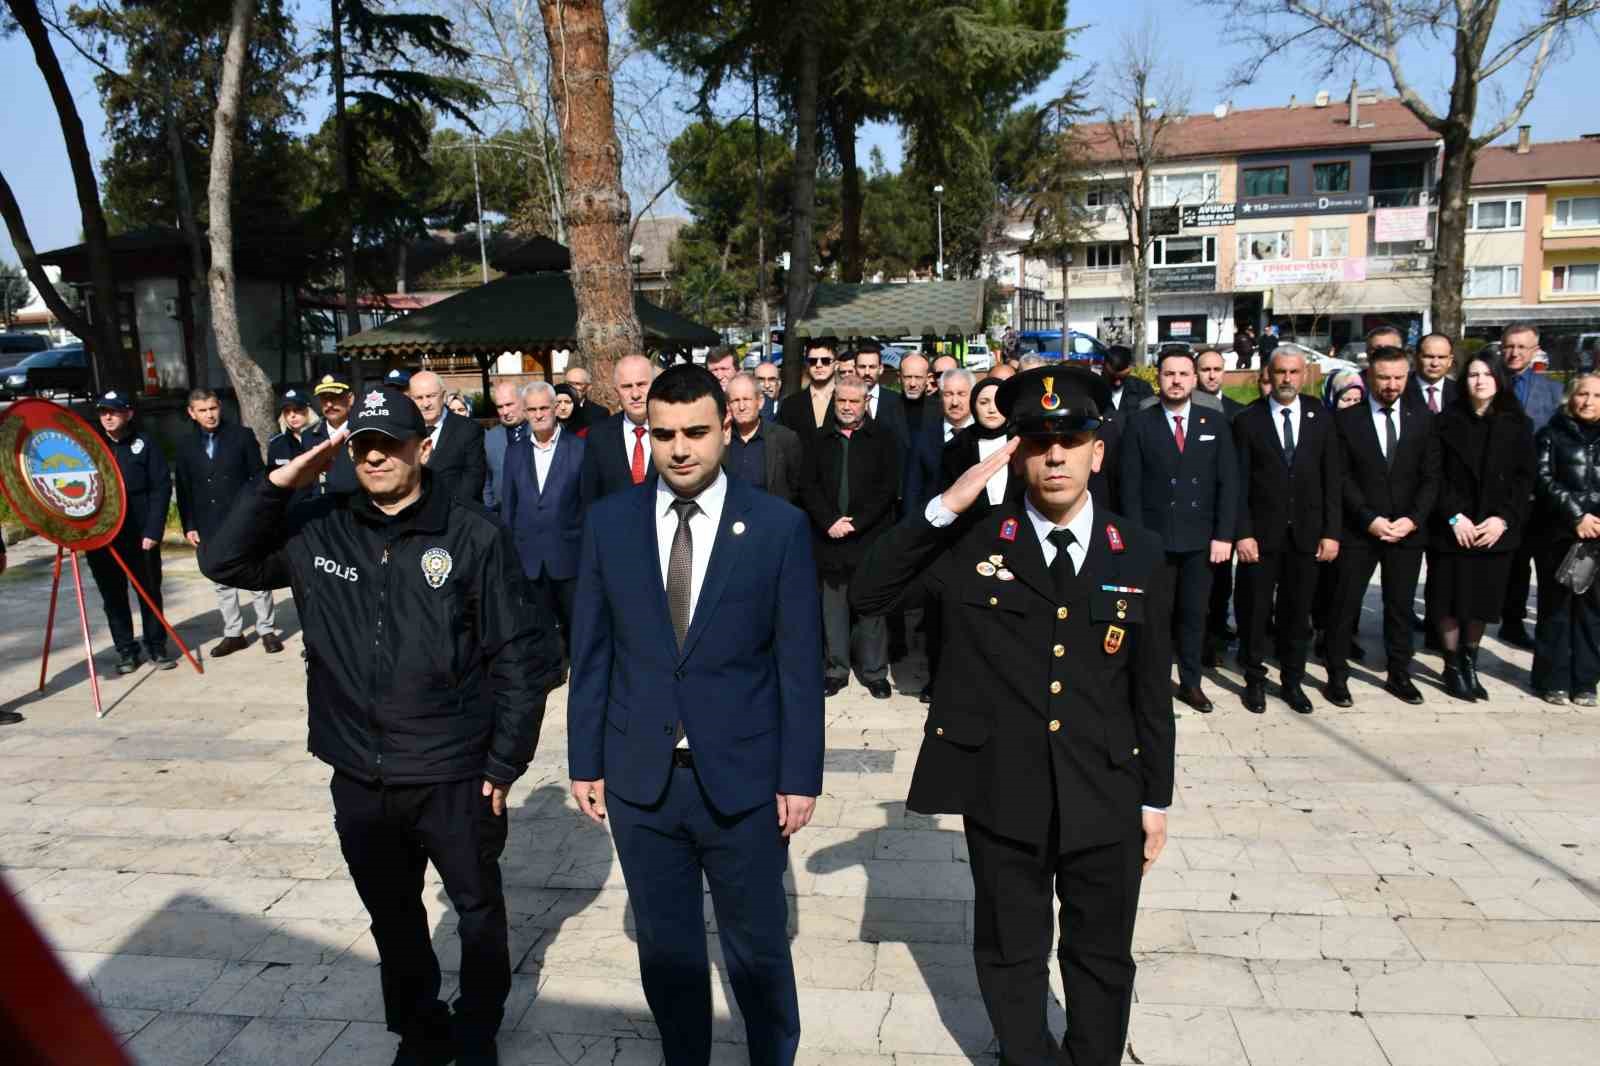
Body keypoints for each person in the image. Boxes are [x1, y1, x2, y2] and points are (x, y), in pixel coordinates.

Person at [200, 385, 561, 1066]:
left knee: (477, 910)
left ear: (421, 447)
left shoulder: (473, 533)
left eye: (390, 445)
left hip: (454, 771)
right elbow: (224, 560)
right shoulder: (318, 527)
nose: (375, 458)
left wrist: (503, 764)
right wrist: (282, 481)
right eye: (362, 446)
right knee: (393, 917)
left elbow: (521, 656)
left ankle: (479, 1028)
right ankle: (420, 1030)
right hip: (360, 772)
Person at [851, 365, 1174, 1066]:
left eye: (1071, 438)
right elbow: (870, 591)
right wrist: (946, 505)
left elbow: (1150, 691)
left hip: (1106, 788)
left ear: (1098, 450)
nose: (1054, 455)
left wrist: (1156, 798)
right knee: (1010, 950)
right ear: (1016, 450)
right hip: (1003, 787)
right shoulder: (972, 542)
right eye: (1036, 439)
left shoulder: (1137, 550)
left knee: (1102, 955)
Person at [566, 364, 824, 1066]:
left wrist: (799, 776)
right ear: (647, 434)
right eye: (666, 434)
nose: (681, 448)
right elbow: (591, 651)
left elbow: (797, 666)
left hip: (744, 779)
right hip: (639, 779)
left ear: (725, 430)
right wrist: (584, 759)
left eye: (697, 432)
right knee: (668, 950)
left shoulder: (777, 527)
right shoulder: (609, 523)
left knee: (759, 948)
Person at [1119, 350, 1238, 713]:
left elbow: (1228, 482)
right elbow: (1130, 488)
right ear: (1158, 378)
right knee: (1156, 617)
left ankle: (1190, 683)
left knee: (1192, 615)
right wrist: (1137, 540)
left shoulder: (1213, 423)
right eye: (1169, 374)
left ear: (1193, 379)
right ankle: (1153, 684)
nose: (1176, 380)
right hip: (1155, 540)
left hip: (1200, 541)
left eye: (1183, 374)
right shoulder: (1141, 424)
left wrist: (1224, 535)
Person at [1326, 347, 1441, 706]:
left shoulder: (1422, 418)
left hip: (1407, 532)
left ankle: (1399, 673)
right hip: (1360, 530)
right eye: (1383, 377)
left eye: (1398, 377)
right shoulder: (1347, 421)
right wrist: (1369, 519)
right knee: (1344, 606)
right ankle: (1336, 676)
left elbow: (1431, 477)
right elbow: (1340, 477)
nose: (1391, 384)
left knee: (1400, 606)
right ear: (1369, 377)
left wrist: (1412, 519)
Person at [1232, 351, 1342, 713]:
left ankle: (1292, 681)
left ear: (1303, 375)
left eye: (1294, 372)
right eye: (1280, 372)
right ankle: (1254, 679)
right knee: (1254, 611)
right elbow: (1239, 483)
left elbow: (1332, 480)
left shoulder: (1320, 417)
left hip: (1306, 536)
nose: (1287, 379)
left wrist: (1331, 532)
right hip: (1261, 538)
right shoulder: (1248, 421)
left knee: (1297, 614)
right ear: (1269, 373)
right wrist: (1243, 533)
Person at [1427, 354, 1534, 701]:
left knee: (1481, 601)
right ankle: (1451, 664)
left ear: (1499, 379)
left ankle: (1469, 661)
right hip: (1453, 527)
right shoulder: (1445, 422)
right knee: (1449, 598)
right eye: (1473, 374)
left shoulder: (1518, 424)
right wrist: (1454, 516)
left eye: (1487, 374)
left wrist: (1502, 519)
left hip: (1494, 529)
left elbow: (1524, 479)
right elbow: (1434, 475)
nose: (1480, 380)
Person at [802, 378, 901, 698]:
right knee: (833, 608)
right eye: (841, 401)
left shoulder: (883, 439)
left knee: (871, 609)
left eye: (853, 402)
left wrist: (856, 523)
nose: (847, 407)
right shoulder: (817, 439)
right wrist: (829, 521)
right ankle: (836, 669)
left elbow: (887, 489)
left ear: (865, 402)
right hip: (829, 538)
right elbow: (808, 486)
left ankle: (874, 672)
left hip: (869, 537)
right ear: (834, 401)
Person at [173, 388, 282, 658]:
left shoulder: (241, 436)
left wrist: (260, 515)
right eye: (202, 410)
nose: (209, 415)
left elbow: (258, 477)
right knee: (222, 581)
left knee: (257, 575)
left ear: (219, 407)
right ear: (191, 413)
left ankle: (266, 629)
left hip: (244, 518)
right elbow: (185, 488)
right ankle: (234, 633)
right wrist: (189, 524)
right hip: (209, 523)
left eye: (212, 408)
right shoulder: (185, 446)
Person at [84, 390, 175, 674]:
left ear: (128, 414)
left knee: (148, 592)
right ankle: (126, 650)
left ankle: (156, 647)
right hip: (102, 537)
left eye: (114, 411)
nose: (108, 417)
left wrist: (153, 530)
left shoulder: (144, 444)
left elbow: (161, 487)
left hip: (140, 535)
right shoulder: (90, 447)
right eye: (103, 412)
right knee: (113, 597)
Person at [500, 382, 585, 658]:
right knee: (538, 626)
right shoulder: (514, 453)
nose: (538, 415)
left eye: (543, 408)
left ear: (556, 409)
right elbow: (508, 508)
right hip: (529, 558)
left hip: (569, 555)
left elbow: (588, 506)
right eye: (532, 409)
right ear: (525, 412)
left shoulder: (580, 449)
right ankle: (548, 670)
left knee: (577, 626)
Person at [1531, 372, 1600, 705]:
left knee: (1592, 612)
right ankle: (1552, 679)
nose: (1589, 402)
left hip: (1597, 539)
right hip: (1559, 535)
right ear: (1570, 398)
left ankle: (1586, 681)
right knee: (1555, 610)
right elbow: (1543, 480)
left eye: (1597, 396)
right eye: (1582, 395)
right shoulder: (1550, 435)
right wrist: (1576, 516)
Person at [1500, 322, 1566, 650]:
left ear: (1534, 349)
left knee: (1536, 561)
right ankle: (1505, 619)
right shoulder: (1488, 381)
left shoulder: (1553, 391)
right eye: (1509, 346)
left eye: (1521, 347)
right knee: (1509, 562)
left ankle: (1529, 627)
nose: (1514, 353)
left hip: (1539, 492)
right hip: (1497, 488)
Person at [1311, 371, 1369, 664]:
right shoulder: (1321, 424)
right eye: (1346, 399)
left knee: (1350, 585)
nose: (1353, 404)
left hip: (1359, 519)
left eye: (1358, 399)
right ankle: (1323, 632)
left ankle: (1346, 635)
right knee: (1325, 581)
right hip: (1327, 515)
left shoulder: (1366, 425)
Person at [579, 354, 655, 506]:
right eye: (626, 386)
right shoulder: (598, 436)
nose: (635, 394)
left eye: (641, 384)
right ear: (616, 391)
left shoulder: (673, 430)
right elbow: (589, 498)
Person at [408, 371, 488, 503]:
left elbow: (473, 481)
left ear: (444, 396)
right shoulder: (406, 430)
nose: (425, 403)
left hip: (456, 514)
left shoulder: (468, 430)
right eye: (419, 398)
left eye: (431, 396)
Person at [724, 373, 804, 503]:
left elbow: (796, 489)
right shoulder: (721, 439)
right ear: (728, 405)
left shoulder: (785, 439)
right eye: (735, 401)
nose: (742, 407)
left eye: (747, 399)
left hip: (772, 518)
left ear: (760, 402)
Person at [939, 377, 1012, 518]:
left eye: (998, 403)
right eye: (984, 403)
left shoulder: (1022, 442)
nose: (991, 409)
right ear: (973, 405)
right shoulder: (957, 447)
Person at [904, 368, 974, 510]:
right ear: (940, 396)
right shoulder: (922, 437)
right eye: (948, 394)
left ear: (973, 396)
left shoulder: (983, 435)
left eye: (961, 394)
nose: (955, 402)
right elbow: (912, 491)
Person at [268, 387, 327, 511]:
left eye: (297, 410)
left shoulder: (326, 438)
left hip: (323, 507)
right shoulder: (276, 444)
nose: (292, 415)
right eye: (287, 411)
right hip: (291, 510)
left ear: (309, 410)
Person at [854, 341, 909, 456]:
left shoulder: (897, 401)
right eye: (862, 367)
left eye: (872, 367)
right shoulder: (844, 400)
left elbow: (902, 443)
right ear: (855, 369)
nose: (867, 372)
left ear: (881, 369)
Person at [481, 381, 527, 512]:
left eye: (509, 404)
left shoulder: (538, 432)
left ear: (523, 402)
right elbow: (485, 478)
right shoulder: (490, 438)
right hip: (501, 514)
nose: (505, 411)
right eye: (500, 407)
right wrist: (490, 507)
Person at [313, 374, 359, 495]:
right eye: (324, 399)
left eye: (335, 397)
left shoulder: (362, 431)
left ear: (350, 399)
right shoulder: (310, 435)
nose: (329, 404)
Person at [1406, 333, 1460, 414]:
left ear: (1450, 361)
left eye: (1441, 357)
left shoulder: (1460, 392)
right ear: (1416, 358)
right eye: (1429, 356)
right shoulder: (1401, 390)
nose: (1435, 363)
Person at [1101, 345, 1153, 417]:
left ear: (1130, 368)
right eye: (1112, 378)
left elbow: (1152, 419)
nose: (1117, 383)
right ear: (1104, 368)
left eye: (1122, 378)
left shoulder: (1143, 389)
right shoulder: (1093, 391)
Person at [1194, 347, 1243, 418]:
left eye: (1217, 370)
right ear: (1195, 373)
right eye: (1206, 370)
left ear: (1224, 372)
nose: (1212, 376)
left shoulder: (1239, 412)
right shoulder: (1183, 409)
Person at [898, 354, 935, 434]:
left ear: (928, 378)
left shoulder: (940, 411)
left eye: (918, 377)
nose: (912, 384)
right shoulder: (885, 410)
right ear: (899, 378)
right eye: (908, 377)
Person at [563, 365, 605, 431]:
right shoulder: (555, 409)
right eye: (569, 383)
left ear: (588, 387)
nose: (572, 387)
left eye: (577, 384)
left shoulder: (599, 413)